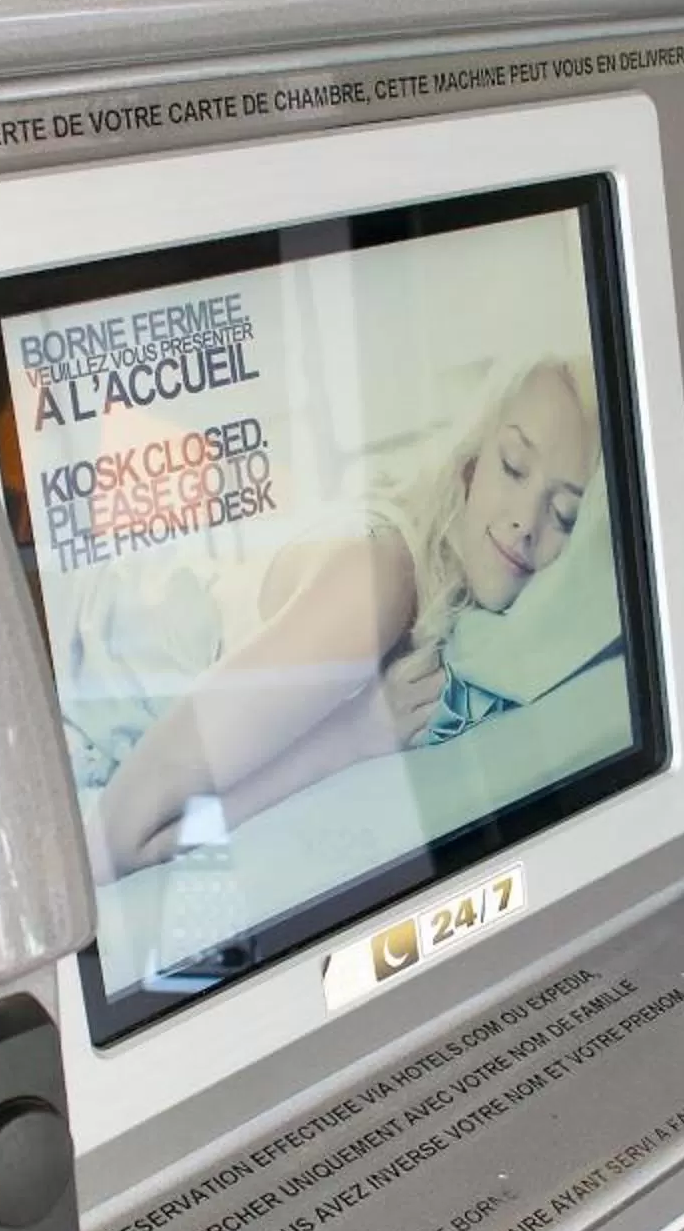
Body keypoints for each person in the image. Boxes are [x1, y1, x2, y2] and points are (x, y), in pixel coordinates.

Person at [79, 353, 602, 882]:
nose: (525, 523)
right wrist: (350, 739)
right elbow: (117, 842)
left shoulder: (452, 602)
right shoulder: (373, 587)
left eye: (564, 514)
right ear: (471, 462)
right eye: (513, 466)